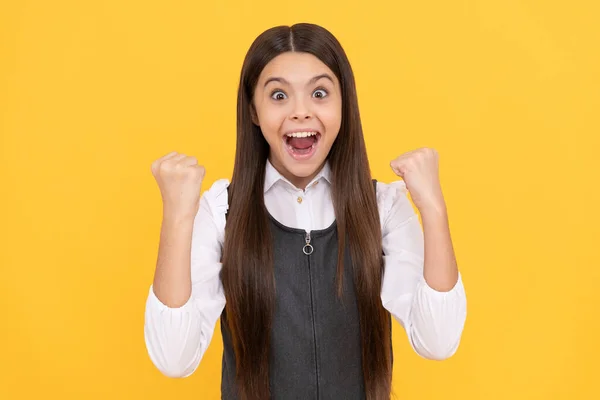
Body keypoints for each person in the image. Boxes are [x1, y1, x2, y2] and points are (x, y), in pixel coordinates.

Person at [144, 23, 467, 400]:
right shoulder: (221, 211)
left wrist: (434, 210)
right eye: (279, 95)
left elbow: (438, 341)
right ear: (253, 109)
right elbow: (174, 358)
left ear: (344, 103)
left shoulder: (383, 207)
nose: (301, 112)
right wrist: (178, 218)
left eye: (319, 93)